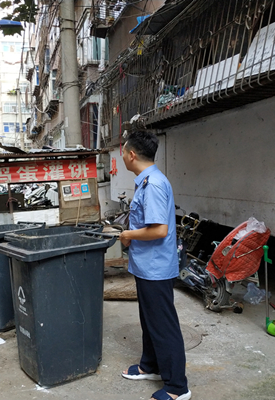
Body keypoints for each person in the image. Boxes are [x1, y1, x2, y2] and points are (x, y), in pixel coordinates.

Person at [119, 131, 191, 400]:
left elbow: (160, 230)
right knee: (150, 320)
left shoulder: (154, 184)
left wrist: (128, 234)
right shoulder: (146, 182)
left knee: (163, 325)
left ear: (132, 155)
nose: (122, 156)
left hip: (156, 268)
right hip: (146, 265)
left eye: (123, 152)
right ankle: (150, 366)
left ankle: (177, 387)